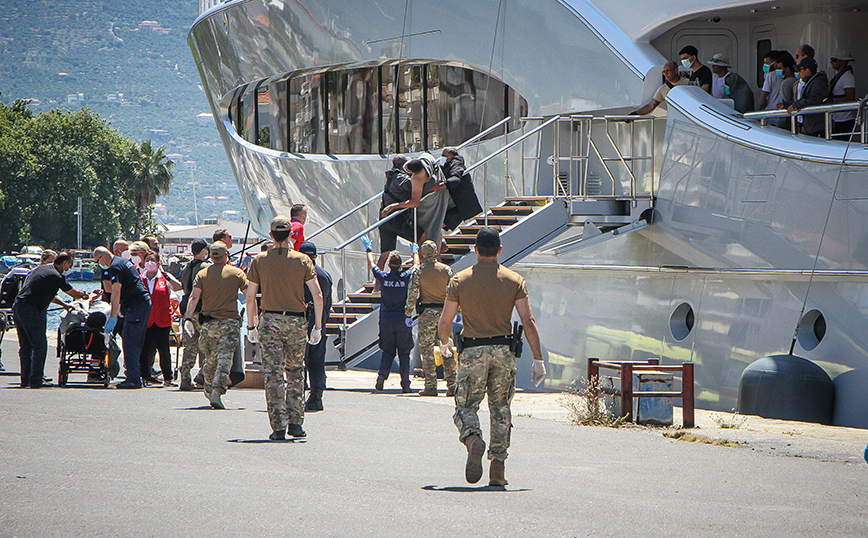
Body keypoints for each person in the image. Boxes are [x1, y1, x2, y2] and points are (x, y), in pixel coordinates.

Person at [437, 227, 546, 487]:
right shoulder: (514, 280)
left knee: (465, 406)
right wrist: (538, 359)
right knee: (500, 409)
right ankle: (497, 469)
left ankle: (473, 438)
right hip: (503, 352)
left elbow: (444, 322)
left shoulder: (459, 281)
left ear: (475, 250)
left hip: (473, 351)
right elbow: (528, 320)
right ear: (499, 250)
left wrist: (444, 344)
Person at [245, 216, 323, 440]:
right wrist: (317, 326)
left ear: (271, 236)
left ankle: (278, 426)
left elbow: (250, 297)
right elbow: (317, 296)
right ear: (290, 235)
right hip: (297, 321)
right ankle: (296, 424)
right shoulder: (302, 260)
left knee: (273, 374)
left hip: (269, 321)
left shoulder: (259, 261)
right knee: (296, 371)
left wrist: (251, 325)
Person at [183, 241, 247, 409]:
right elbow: (249, 295)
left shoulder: (203, 274)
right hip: (229, 323)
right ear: (226, 255)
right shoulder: (237, 273)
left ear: (211, 256)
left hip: (209, 324)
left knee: (210, 358)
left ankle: (210, 387)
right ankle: (218, 390)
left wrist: (188, 318)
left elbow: (194, 297)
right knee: (225, 358)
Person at [12, 252, 86, 388]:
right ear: (64, 263)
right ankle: (35, 380)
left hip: (18, 306)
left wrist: (64, 304)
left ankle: (26, 379)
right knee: (39, 345)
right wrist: (84, 294)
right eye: (70, 265)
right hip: (32, 309)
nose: (69, 268)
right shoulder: (57, 276)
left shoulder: (42, 269)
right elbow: (74, 293)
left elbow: (48, 294)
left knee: (26, 346)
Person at [93, 246, 152, 389]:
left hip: (137, 305)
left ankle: (133, 379)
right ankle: (136, 375)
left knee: (130, 341)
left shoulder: (115, 267)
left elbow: (115, 292)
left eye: (97, 261)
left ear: (102, 257)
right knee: (134, 341)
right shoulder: (121, 261)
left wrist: (113, 317)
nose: (99, 264)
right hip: (138, 304)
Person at [363, 236, 414, 393]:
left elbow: (372, 264)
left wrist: (369, 249)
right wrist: (415, 254)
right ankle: (405, 383)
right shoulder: (405, 277)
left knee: (388, 350)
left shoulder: (384, 277)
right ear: (400, 266)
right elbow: (417, 265)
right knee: (404, 352)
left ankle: (381, 376)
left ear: (390, 265)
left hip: (385, 319)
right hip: (402, 319)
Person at [405, 240, 455, 396]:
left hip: (426, 313)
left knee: (427, 351)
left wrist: (408, 312)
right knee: (447, 347)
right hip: (444, 313)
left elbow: (412, 294)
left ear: (422, 254)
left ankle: (431, 385)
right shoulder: (446, 270)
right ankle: (453, 385)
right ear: (435, 253)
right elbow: (454, 292)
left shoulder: (418, 271)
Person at [382, 153, 450, 247]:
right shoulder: (426, 157)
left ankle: (426, 255)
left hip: (431, 201)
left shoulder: (416, 179)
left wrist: (394, 206)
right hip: (441, 193)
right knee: (434, 227)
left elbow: (415, 202)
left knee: (425, 232)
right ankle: (439, 246)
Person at [297, 241, 332, 412]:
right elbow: (328, 305)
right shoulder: (324, 275)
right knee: (317, 362)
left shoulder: (296, 274)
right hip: (319, 324)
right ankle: (317, 396)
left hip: (299, 323)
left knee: (297, 362)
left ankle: (297, 396)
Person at [141, 252, 183, 387]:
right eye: (147, 260)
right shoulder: (141, 278)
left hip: (162, 319)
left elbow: (178, 287)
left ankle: (168, 378)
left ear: (158, 264)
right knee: (146, 349)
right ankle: (145, 376)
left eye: (152, 261)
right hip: (147, 320)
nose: (149, 263)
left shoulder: (164, 278)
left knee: (164, 349)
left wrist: (166, 275)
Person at [378, 155, 423, 271]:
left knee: (384, 254)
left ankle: (377, 285)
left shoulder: (391, 176)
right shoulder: (400, 178)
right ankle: (418, 267)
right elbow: (416, 186)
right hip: (395, 219)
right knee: (422, 236)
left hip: (384, 219)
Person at [178, 239, 210, 391]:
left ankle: (185, 376)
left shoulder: (186, 268)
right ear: (204, 250)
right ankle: (203, 375)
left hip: (187, 309)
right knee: (207, 345)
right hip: (201, 309)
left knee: (189, 346)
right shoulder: (205, 267)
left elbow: (184, 287)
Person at [441, 148, 483, 232]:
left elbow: (456, 179)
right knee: (441, 223)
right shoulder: (448, 164)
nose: (442, 158)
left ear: (450, 156)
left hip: (460, 203)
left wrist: (441, 185)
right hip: (456, 202)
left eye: (443, 156)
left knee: (442, 223)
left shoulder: (456, 163)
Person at [787, 57, 830, 137]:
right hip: (812, 126)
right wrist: (786, 105)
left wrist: (796, 105)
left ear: (807, 70)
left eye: (800, 69)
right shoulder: (811, 82)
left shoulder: (817, 83)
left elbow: (814, 101)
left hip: (818, 127)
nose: (798, 72)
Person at [828, 50, 857, 135]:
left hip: (845, 119)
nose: (831, 62)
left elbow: (851, 98)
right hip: (837, 117)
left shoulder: (847, 77)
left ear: (842, 60)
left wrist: (833, 100)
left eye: (834, 59)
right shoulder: (838, 76)